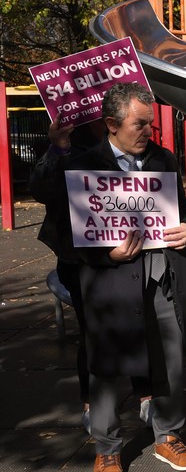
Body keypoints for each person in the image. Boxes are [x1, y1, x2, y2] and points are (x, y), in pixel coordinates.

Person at [60, 82, 186, 472]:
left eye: (151, 124)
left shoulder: (164, 159)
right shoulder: (83, 166)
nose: (148, 132)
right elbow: (68, 237)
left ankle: (168, 434)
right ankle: (107, 448)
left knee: (170, 359)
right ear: (111, 124)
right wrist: (108, 256)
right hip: (110, 282)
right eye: (140, 124)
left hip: (163, 277)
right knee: (105, 366)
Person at [29, 116, 156, 436]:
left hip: (137, 253)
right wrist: (58, 147)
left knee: (143, 324)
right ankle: (94, 405)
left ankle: (148, 396)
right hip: (81, 259)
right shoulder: (70, 144)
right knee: (94, 331)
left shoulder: (143, 143)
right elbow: (41, 190)